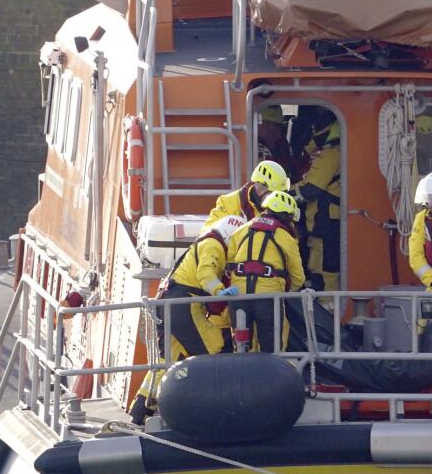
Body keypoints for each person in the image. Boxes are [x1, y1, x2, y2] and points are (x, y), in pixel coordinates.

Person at [130, 215, 245, 425]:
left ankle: (140, 409)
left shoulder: (204, 242)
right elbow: (206, 274)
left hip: (169, 303)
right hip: (184, 304)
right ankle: (211, 409)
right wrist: (220, 291)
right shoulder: (213, 245)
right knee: (215, 348)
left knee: (169, 361)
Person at [226, 190, 306, 353]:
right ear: (287, 216)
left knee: (241, 347)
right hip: (268, 298)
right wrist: (288, 292)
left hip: (238, 297)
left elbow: (230, 263)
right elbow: (299, 277)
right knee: (272, 349)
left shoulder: (240, 230)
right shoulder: (287, 238)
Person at [293, 108, 341, 291]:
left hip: (326, 222)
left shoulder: (330, 153)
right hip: (325, 221)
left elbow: (311, 189)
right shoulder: (333, 151)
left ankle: (327, 313)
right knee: (320, 267)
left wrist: (279, 193)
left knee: (323, 270)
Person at [202, 160, 289, 232]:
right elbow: (208, 233)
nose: (278, 198)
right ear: (259, 188)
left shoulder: (283, 206)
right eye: (273, 194)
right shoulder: (228, 202)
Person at [257, 105, 311, 183]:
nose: (281, 129)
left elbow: (294, 170)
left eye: (280, 125)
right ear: (263, 124)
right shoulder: (255, 149)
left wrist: (308, 156)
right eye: (277, 125)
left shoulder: (281, 144)